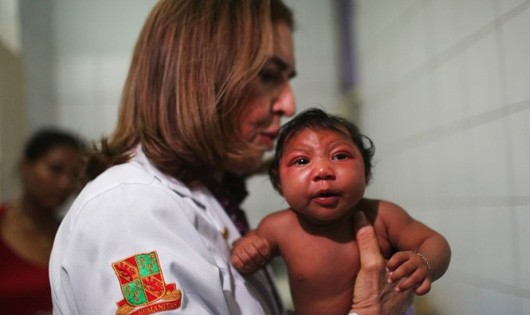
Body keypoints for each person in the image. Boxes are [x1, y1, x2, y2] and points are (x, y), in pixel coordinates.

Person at [49, 1, 413, 314]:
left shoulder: (203, 198)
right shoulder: (128, 213)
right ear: (198, 77)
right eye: (269, 75)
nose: (289, 105)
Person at [231, 108, 452, 315]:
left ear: (365, 172)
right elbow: (249, 249)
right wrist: (245, 252)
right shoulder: (277, 228)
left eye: (340, 156)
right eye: (301, 161)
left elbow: (434, 242)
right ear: (279, 183)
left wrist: (424, 263)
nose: (322, 171)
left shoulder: (382, 216)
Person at [0, 128, 86, 314]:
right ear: (26, 167)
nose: (65, 183)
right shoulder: (3, 223)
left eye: (74, 176)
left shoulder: (72, 234)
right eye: (55, 169)